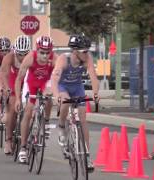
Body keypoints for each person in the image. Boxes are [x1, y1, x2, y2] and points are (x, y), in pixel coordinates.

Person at [51, 34, 99, 172]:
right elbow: (54, 79)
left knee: (83, 119)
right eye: (84, 51)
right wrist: (56, 96)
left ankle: (87, 156)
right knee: (65, 102)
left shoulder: (87, 59)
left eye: (88, 50)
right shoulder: (63, 59)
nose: (87, 53)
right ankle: (61, 126)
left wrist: (95, 93)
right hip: (63, 87)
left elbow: (93, 77)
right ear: (76, 51)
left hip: (77, 87)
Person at [14, 36, 57, 163]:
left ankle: (46, 122)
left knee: (48, 95)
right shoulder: (30, 58)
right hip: (31, 83)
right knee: (28, 112)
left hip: (46, 82)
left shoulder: (55, 59)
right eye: (41, 52)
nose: (44, 56)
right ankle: (22, 148)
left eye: (47, 53)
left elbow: (60, 77)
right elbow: (18, 80)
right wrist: (17, 99)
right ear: (36, 50)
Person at [0, 35, 31, 154]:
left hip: (27, 80)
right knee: (12, 108)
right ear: (15, 51)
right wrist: (5, 88)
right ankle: (8, 139)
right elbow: (4, 74)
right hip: (13, 79)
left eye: (25, 54)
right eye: (19, 54)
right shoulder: (9, 57)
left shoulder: (32, 57)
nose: (22, 57)